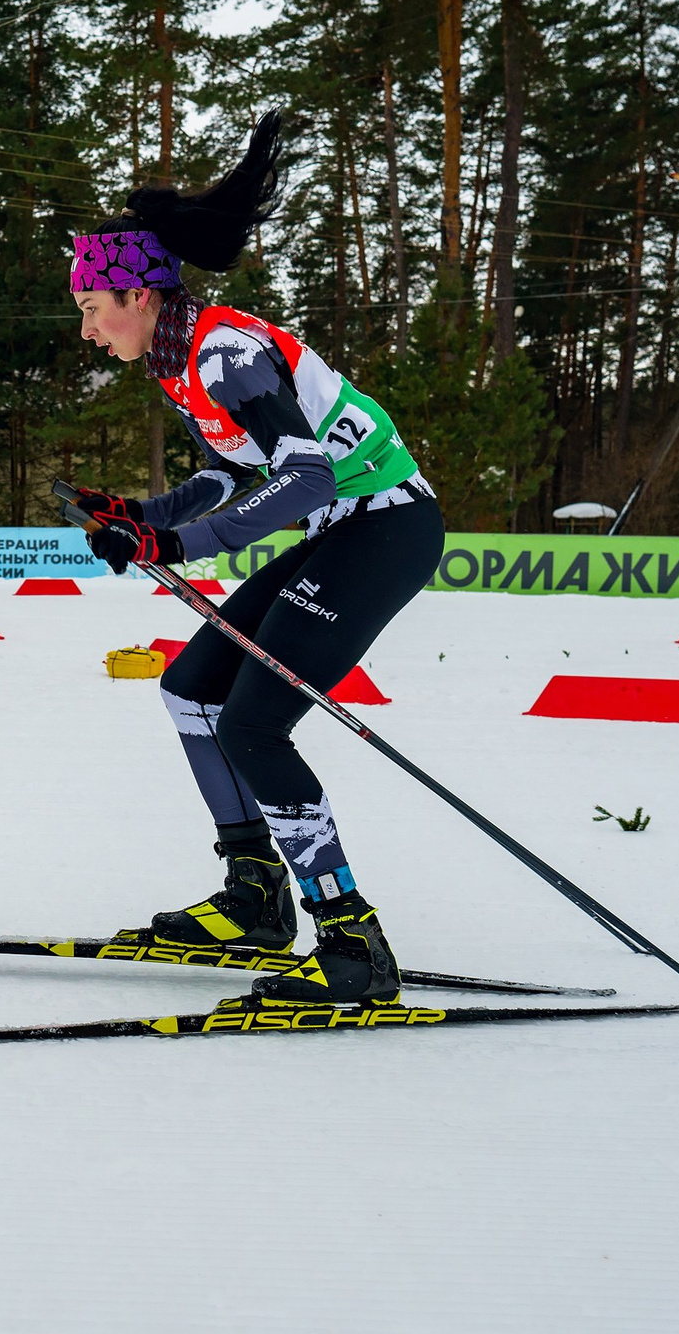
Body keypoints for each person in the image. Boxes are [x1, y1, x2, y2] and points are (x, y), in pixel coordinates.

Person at [62, 111, 442, 1008]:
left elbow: (305, 477)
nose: (86, 330)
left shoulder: (225, 351)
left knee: (253, 726)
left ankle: (353, 941)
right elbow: (231, 472)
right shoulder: (178, 357)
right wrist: (144, 515)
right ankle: (256, 895)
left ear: (139, 295)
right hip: (343, 525)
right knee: (191, 688)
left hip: (385, 525)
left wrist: (173, 543)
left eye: (89, 308)